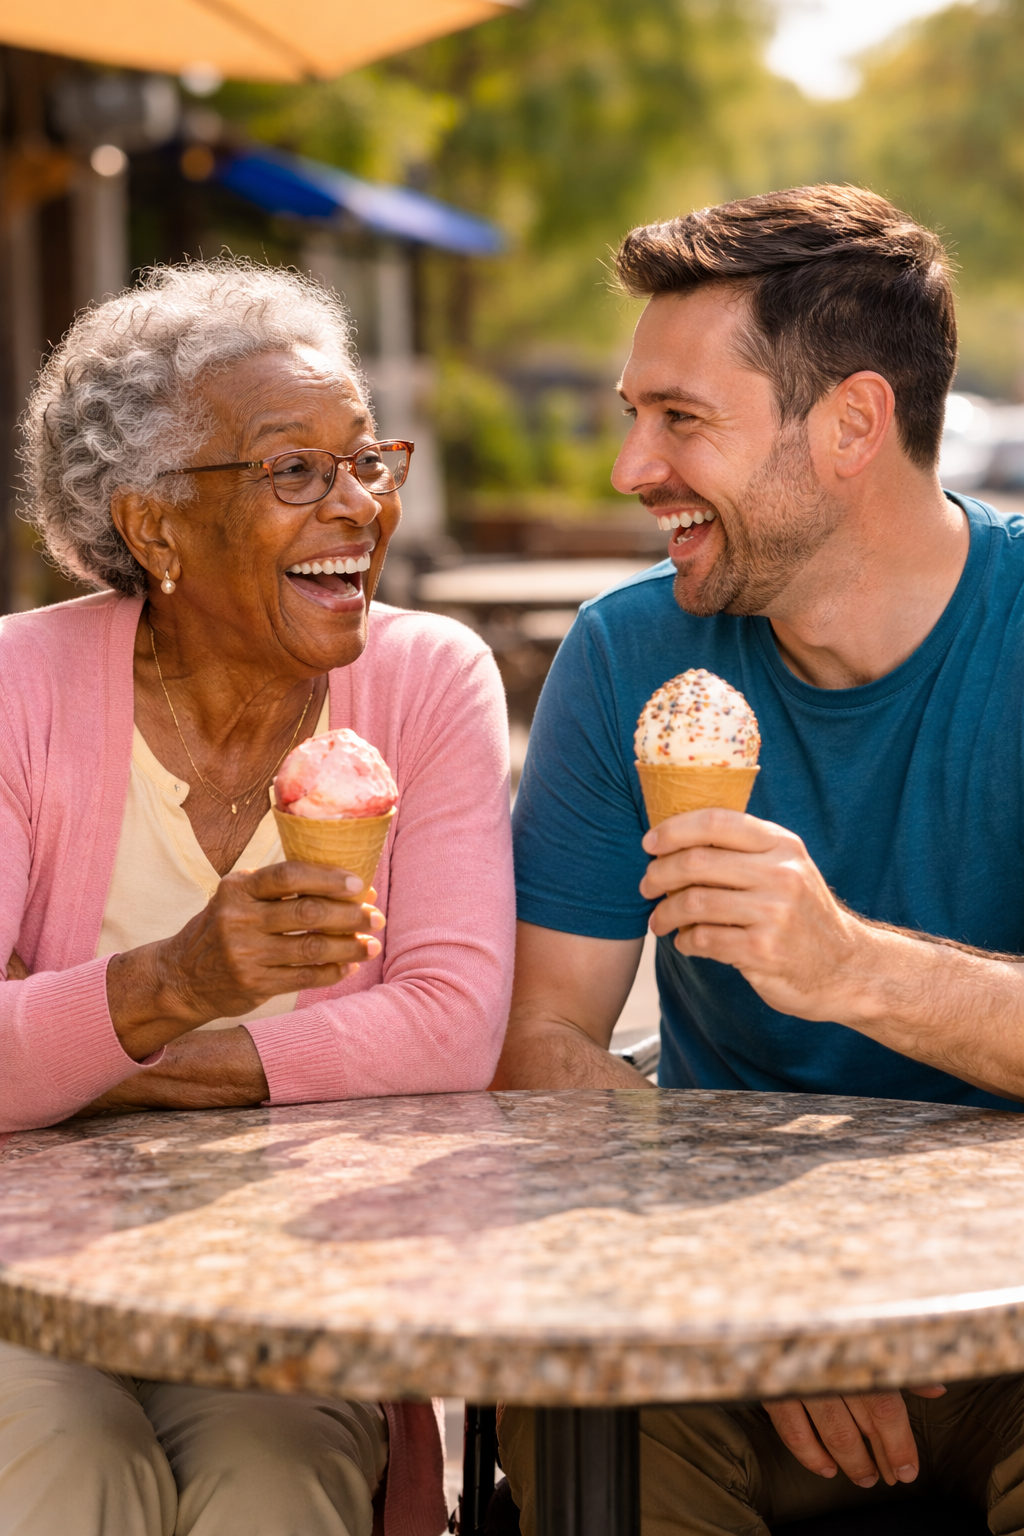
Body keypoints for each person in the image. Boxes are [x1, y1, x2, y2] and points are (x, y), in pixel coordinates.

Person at [494, 186, 1024, 1533]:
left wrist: (850, 967)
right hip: (719, 1306)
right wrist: (740, 1289)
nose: (632, 470)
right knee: (575, 1390)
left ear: (854, 424)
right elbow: (544, 1040)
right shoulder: (624, 656)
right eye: (634, 416)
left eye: (681, 420)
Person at [0, 260, 515, 1536]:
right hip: (20, 1283)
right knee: (70, 1470)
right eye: (296, 472)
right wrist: (168, 984)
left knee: (277, 1481)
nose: (359, 508)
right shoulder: (18, 687)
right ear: (155, 526)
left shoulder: (429, 676)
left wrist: (75, 1049)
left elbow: (451, 1024)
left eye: (366, 462)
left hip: (291, 1279)